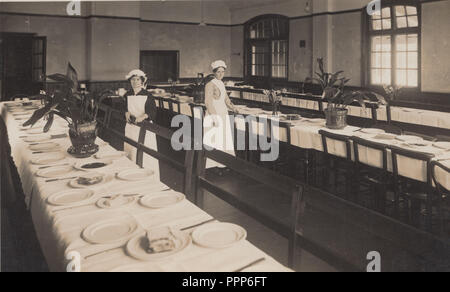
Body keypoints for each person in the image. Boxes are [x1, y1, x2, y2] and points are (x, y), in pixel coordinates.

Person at [122, 69, 160, 181]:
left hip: (144, 127)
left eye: (137, 79)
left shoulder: (148, 95)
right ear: (130, 81)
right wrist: (126, 112)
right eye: (133, 79)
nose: (135, 82)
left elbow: (153, 111)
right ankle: (131, 175)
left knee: (145, 154)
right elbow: (123, 107)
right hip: (131, 127)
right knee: (131, 150)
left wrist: (143, 117)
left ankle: (148, 177)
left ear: (142, 81)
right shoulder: (127, 94)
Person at [203, 60, 237, 170]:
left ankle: (224, 163)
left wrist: (233, 107)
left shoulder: (221, 83)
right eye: (218, 72)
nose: (221, 74)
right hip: (214, 115)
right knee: (214, 139)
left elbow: (226, 99)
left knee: (224, 139)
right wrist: (214, 117)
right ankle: (212, 165)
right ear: (214, 72)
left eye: (223, 71)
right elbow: (208, 102)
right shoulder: (210, 84)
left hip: (223, 113)